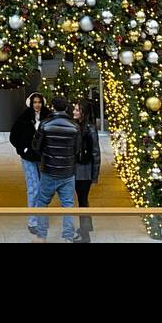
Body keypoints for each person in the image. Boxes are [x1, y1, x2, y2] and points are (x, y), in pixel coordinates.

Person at [29, 95, 82, 242]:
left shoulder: (45, 124)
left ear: (53, 107)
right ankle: (67, 238)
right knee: (68, 206)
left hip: (49, 171)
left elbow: (36, 147)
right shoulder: (75, 127)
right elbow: (77, 150)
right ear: (66, 108)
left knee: (42, 202)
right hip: (67, 172)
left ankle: (41, 236)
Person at [10, 91, 45, 237]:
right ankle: (33, 221)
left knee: (43, 188)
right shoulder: (23, 118)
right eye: (35, 102)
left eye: (39, 102)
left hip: (42, 158)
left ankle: (41, 217)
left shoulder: (47, 116)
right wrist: (23, 149)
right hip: (28, 158)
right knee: (33, 187)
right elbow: (14, 136)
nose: (37, 105)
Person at [72, 99, 101, 243]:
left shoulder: (89, 128)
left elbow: (96, 152)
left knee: (82, 201)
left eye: (77, 110)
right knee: (82, 199)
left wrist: (94, 176)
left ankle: (85, 235)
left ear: (83, 112)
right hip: (79, 169)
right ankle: (86, 228)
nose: (74, 112)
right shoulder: (78, 125)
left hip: (84, 171)